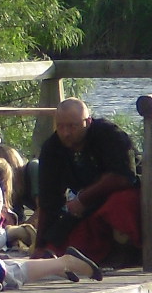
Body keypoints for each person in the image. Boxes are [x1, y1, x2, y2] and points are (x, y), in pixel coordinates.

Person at [35, 98, 142, 267]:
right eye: (61, 127)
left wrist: (83, 198)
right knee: (64, 245)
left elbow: (124, 177)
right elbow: (49, 201)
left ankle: (130, 251)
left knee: (119, 206)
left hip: (129, 195)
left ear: (88, 122)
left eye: (72, 126)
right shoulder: (52, 149)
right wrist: (40, 245)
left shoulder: (109, 135)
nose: (66, 133)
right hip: (88, 206)